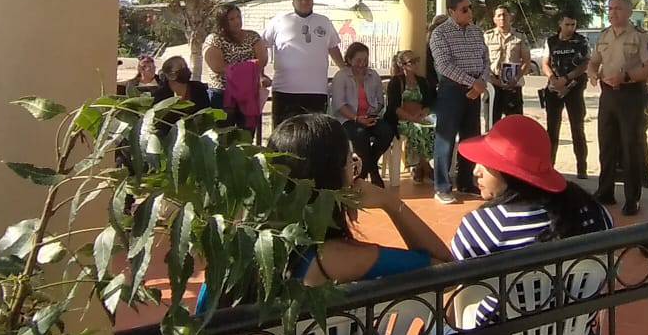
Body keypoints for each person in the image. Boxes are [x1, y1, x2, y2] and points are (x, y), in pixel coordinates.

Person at [194, 114, 453, 314]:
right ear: (332, 178)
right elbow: (447, 271)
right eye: (350, 161)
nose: (356, 168)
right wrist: (390, 202)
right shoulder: (332, 257)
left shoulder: (236, 244)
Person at [451, 115, 613, 330]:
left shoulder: (487, 226)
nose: (475, 171)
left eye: (487, 163)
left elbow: (453, 280)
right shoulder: (595, 212)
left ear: (510, 173)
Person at [587, 0, 648, 215]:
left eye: (618, 8)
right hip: (608, 95)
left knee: (631, 147)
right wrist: (592, 73)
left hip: (631, 95)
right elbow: (593, 62)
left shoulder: (640, 36)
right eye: (610, 8)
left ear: (629, 12)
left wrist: (626, 77)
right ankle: (605, 191)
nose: (613, 12)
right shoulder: (604, 35)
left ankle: (632, 198)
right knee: (606, 145)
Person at [429, 0, 490, 205]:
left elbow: (486, 59)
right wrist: (472, 83)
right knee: (445, 139)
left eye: (470, 7)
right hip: (452, 89)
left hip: (475, 88)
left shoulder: (476, 32)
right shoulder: (440, 34)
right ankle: (442, 187)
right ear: (451, 11)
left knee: (471, 137)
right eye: (464, 9)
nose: (469, 12)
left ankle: (465, 181)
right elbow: (444, 66)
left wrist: (480, 82)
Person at [261, 0, 345, 121]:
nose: (304, 1)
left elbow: (333, 47)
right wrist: (261, 73)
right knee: (284, 131)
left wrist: (345, 70)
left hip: (316, 91)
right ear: (293, 2)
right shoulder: (279, 21)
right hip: (285, 90)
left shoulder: (324, 22)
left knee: (315, 131)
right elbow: (261, 46)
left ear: (313, 0)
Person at [331, 42, 393, 185]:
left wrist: (373, 114)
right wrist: (357, 118)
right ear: (349, 59)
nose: (362, 64)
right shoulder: (341, 76)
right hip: (348, 119)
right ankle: (373, 172)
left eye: (365, 60)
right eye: (358, 60)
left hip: (369, 116)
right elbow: (339, 105)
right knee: (360, 134)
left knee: (387, 131)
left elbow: (380, 101)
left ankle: (366, 168)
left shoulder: (373, 75)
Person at [542, 15, 591, 179]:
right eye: (567, 24)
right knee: (552, 129)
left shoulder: (581, 41)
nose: (570, 28)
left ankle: (582, 168)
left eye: (573, 24)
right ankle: (549, 166)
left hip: (574, 87)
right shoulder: (551, 41)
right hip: (554, 88)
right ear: (560, 24)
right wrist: (553, 79)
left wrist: (567, 78)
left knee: (577, 128)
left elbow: (585, 64)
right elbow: (545, 63)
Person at [202, 3, 267, 111]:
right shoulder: (214, 40)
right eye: (231, 19)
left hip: (249, 92)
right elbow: (218, 67)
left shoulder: (253, 36)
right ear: (222, 21)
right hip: (223, 93)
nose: (237, 21)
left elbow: (262, 61)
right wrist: (250, 66)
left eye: (238, 17)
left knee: (248, 122)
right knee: (225, 122)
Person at [385, 50, 435, 183]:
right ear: (402, 65)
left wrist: (423, 112)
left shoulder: (422, 81)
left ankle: (420, 166)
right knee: (417, 129)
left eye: (417, 60)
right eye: (411, 62)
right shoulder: (396, 82)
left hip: (419, 117)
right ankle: (425, 167)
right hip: (402, 120)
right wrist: (412, 118)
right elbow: (394, 107)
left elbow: (428, 103)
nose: (416, 64)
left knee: (433, 128)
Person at [484, 5, 531, 128]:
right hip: (492, 85)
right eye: (499, 15)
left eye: (505, 14)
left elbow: (526, 61)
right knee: (491, 126)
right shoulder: (487, 36)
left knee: (515, 127)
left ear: (510, 17)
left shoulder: (520, 36)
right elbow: (481, 61)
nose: (502, 18)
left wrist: (516, 78)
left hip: (513, 85)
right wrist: (491, 78)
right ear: (494, 19)